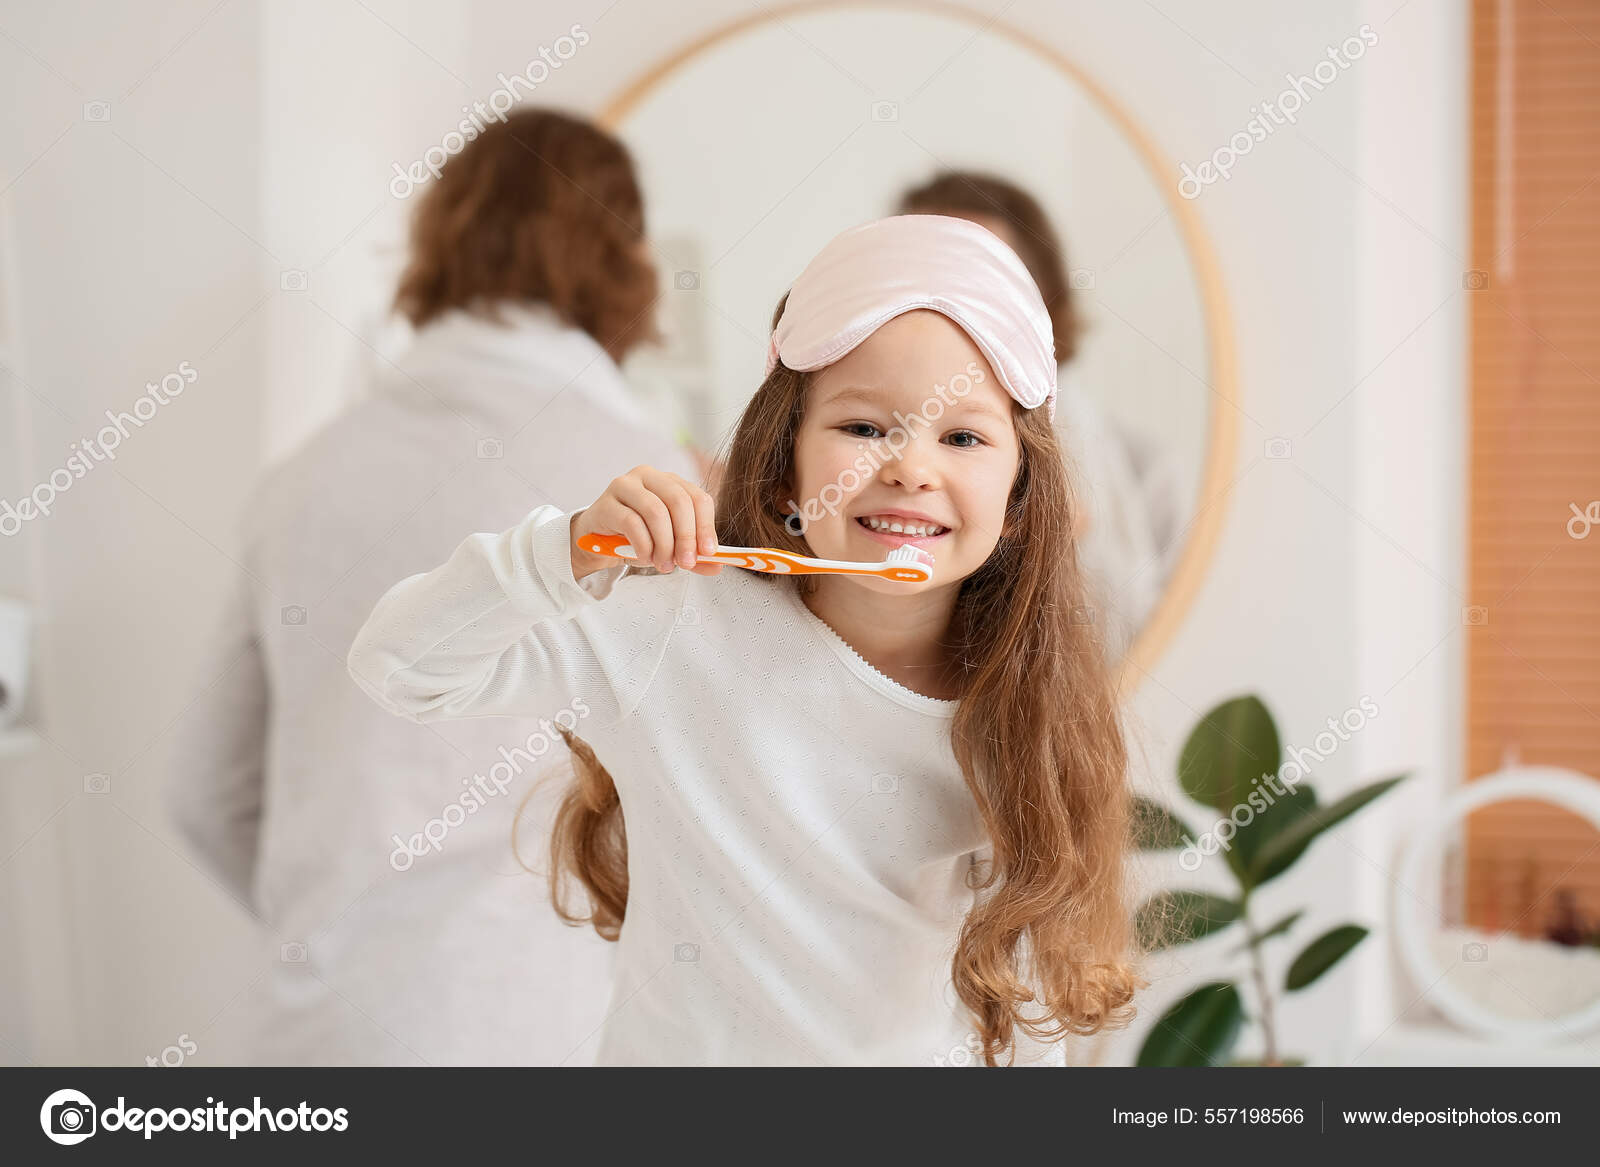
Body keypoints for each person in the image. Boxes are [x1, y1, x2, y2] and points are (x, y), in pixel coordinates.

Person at [347, 215, 1145, 1066]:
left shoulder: (1022, 709)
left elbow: (1019, 1027)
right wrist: (567, 545)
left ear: (1021, 494)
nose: (912, 467)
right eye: (865, 427)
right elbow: (399, 666)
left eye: (963, 437)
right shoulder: (675, 629)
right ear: (783, 456)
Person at [165, 109, 699, 1065]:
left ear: (438, 246)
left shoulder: (303, 479)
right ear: (624, 263)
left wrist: (339, 916)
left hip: (321, 1026)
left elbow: (206, 791)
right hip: (550, 1022)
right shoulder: (657, 489)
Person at [898, 172, 1184, 659]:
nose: (942, 307)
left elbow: (1160, 645)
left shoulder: (1144, 469)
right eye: (916, 275)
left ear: (1043, 299)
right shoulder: (842, 456)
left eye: (974, 280)